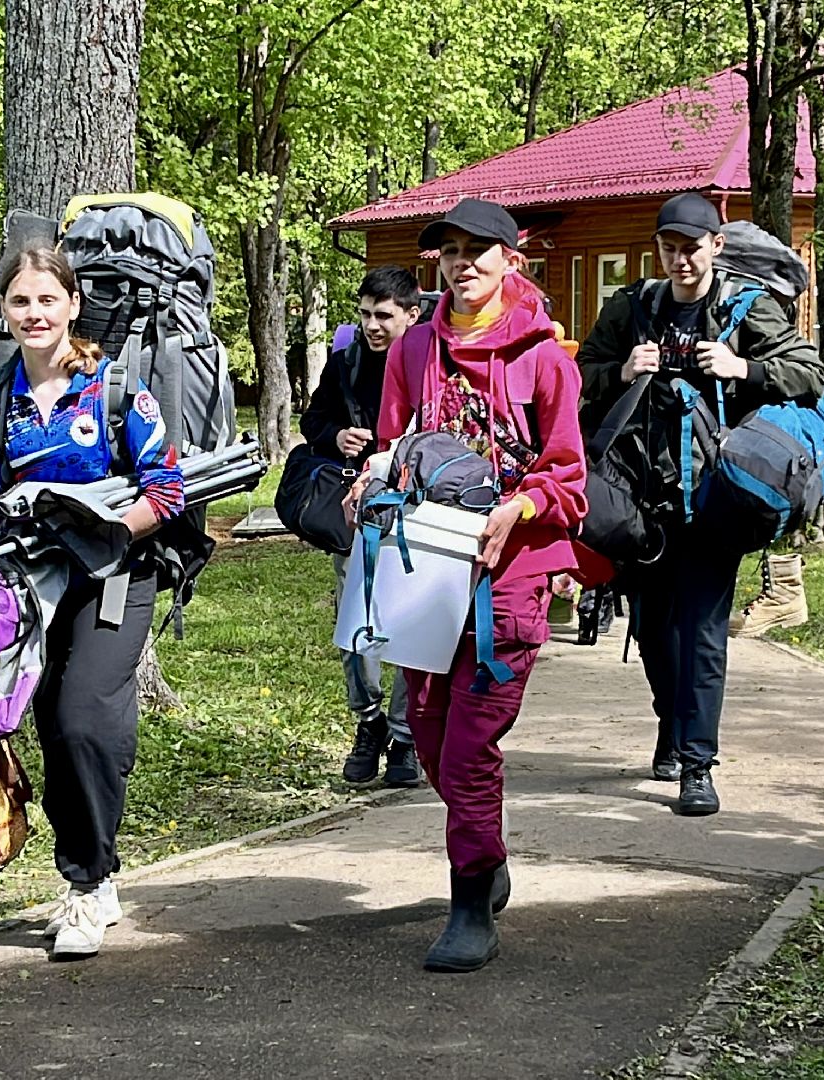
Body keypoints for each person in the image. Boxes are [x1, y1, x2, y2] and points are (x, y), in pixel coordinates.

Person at [350, 198, 588, 973]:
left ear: (511, 258)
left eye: (479, 249)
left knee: (467, 750)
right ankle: (489, 856)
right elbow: (395, 448)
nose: (464, 263)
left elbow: (569, 482)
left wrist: (517, 506)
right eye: (451, 251)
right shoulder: (411, 348)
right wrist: (369, 479)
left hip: (509, 583)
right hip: (427, 575)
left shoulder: (545, 357)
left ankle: (468, 902)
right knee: (426, 736)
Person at [0, 247, 185, 959]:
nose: (34, 314)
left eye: (47, 300)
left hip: (117, 579)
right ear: (5, 311)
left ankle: (86, 889)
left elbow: (168, 491)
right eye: (20, 302)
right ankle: (96, 867)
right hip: (35, 587)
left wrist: (110, 531)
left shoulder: (116, 391)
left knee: (86, 721)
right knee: (57, 733)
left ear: (72, 305)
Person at [576, 193, 824, 817]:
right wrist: (622, 370)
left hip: (715, 500)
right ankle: (671, 721)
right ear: (657, 248)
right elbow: (580, 376)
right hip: (639, 501)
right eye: (670, 247)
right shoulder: (632, 308)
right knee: (655, 632)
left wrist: (740, 366)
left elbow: (807, 373)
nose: (680, 259)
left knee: (704, 633)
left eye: (692, 247)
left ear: (716, 246)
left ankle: (697, 763)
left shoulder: (747, 309)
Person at [300, 266, 424, 787]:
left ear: (411, 316)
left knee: (411, 628)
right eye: (365, 314)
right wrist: (337, 438)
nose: (372, 326)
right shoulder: (345, 362)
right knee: (357, 620)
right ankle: (368, 721)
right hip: (357, 508)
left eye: (384, 316)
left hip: (417, 509)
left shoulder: (427, 364)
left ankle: (403, 735)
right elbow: (313, 423)